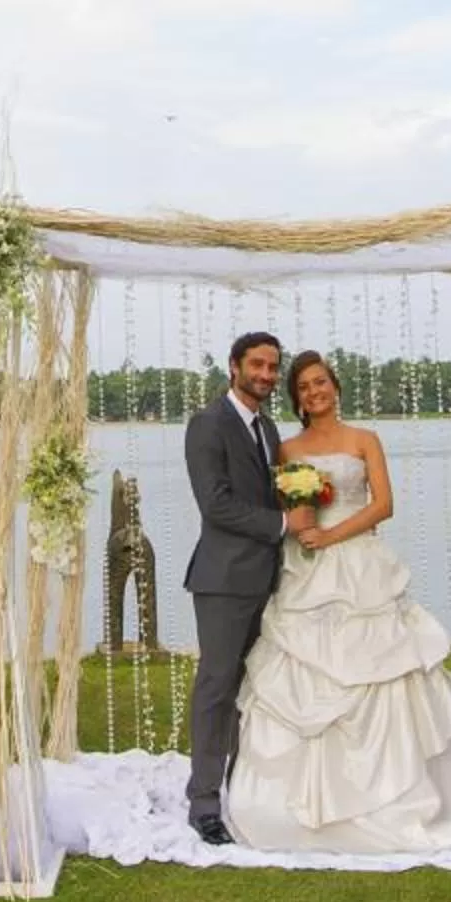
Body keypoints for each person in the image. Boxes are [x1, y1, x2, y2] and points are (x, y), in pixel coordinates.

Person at [224, 351, 451, 855]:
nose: (314, 392)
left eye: (320, 382)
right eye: (303, 387)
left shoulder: (365, 439)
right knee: (304, 668)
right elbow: (290, 510)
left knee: (380, 668)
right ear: (297, 399)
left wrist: (333, 536)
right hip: (307, 569)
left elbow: (383, 505)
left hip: (359, 563)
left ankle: (395, 793)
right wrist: (307, 516)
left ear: (335, 386)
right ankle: (288, 803)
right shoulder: (287, 448)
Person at [181, 329, 290, 847]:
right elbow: (216, 504)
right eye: (257, 365)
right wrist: (284, 525)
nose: (266, 375)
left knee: (255, 688)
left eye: (272, 367)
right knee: (217, 687)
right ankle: (203, 803)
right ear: (234, 366)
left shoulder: (268, 428)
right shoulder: (208, 423)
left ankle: (242, 789)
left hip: (269, 580)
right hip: (224, 581)